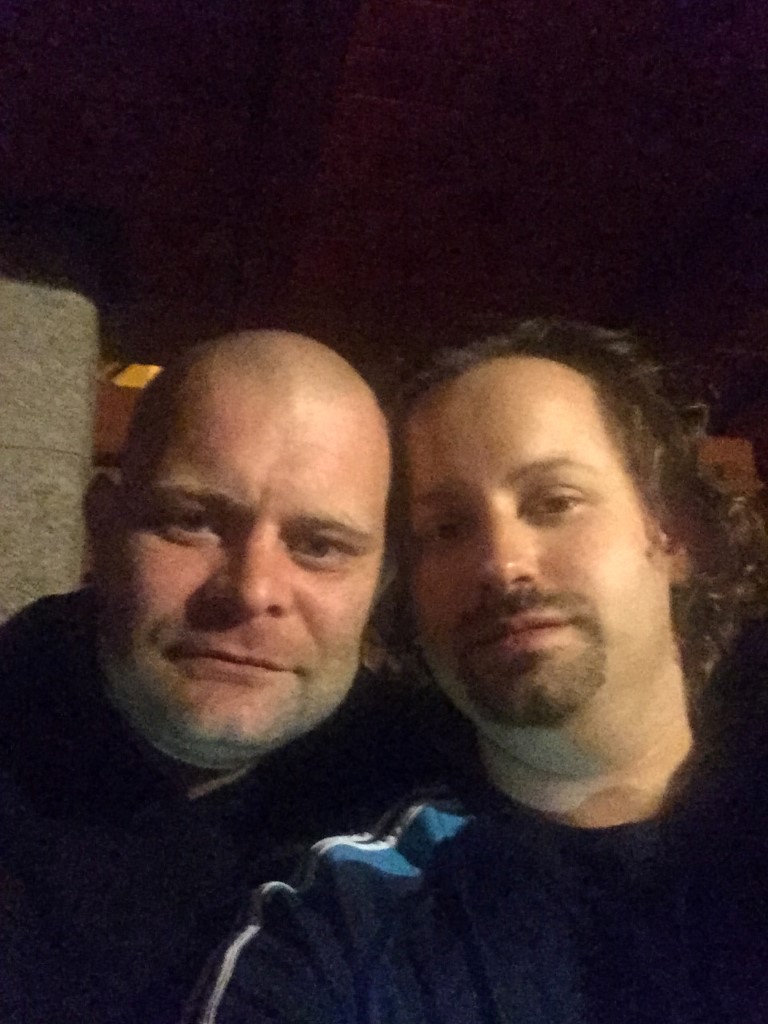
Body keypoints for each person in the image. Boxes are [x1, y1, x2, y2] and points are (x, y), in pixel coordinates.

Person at [195, 318, 768, 1024]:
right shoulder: (349, 921)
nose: (501, 563)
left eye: (553, 502)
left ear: (674, 533)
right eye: (446, 529)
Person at [0, 329, 448, 1023]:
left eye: (321, 545)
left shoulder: (444, 808)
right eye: (194, 521)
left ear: (381, 581)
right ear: (102, 526)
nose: (251, 589)